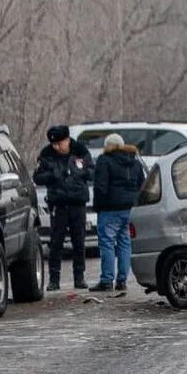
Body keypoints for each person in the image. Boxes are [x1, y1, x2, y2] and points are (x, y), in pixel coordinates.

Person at [33, 125, 94, 290]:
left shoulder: (80, 151)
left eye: (59, 143)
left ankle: (79, 277)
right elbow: (37, 177)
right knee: (56, 242)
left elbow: (91, 171)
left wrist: (78, 173)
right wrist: (52, 175)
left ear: (67, 140)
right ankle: (54, 279)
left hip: (77, 202)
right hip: (58, 203)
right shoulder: (46, 155)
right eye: (54, 144)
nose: (57, 147)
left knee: (79, 241)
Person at [89, 133, 146, 293]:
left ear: (108, 146)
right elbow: (141, 185)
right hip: (130, 208)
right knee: (125, 243)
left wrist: (98, 206)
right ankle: (122, 281)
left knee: (107, 243)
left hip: (109, 209)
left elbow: (101, 186)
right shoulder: (135, 162)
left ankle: (107, 280)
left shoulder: (104, 160)